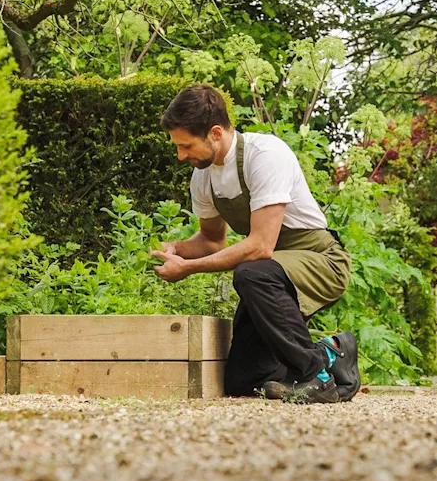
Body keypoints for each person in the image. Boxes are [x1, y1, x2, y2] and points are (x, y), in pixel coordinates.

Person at [152, 84, 361, 403]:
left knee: (250, 272)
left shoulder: (265, 155)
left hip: (321, 260)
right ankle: (332, 354)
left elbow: (261, 246)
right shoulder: (203, 176)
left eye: (186, 146)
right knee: (244, 380)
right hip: (274, 271)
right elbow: (211, 241)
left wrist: (189, 269)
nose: (181, 156)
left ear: (216, 133)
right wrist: (177, 249)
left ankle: (316, 375)